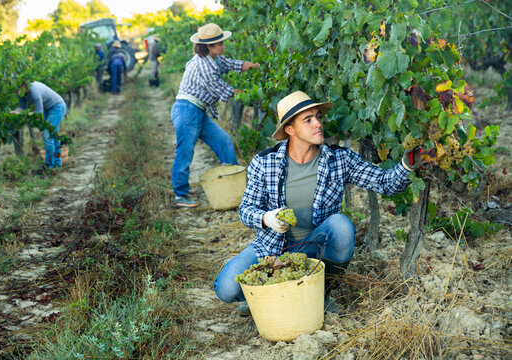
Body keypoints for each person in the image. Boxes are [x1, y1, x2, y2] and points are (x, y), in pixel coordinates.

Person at [213, 91, 422, 316]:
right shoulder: (264, 162)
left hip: (314, 250)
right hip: (271, 249)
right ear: (289, 130)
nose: (318, 124)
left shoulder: (339, 159)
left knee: (341, 226)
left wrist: (407, 165)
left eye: (318, 117)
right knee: (225, 288)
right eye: (308, 119)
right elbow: (245, 211)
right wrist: (267, 218)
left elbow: (384, 182)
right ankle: (264, 292)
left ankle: (319, 292)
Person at [171, 23, 260, 207]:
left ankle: (235, 186)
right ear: (208, 46)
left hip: (197, 110)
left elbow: (230, 64)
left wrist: (251, 66)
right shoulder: (204, 65)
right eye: (220, 44)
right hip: (187, 110)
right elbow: (222, 90)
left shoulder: (214, 59)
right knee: (185, 152)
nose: (224, 46)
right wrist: (251, 93)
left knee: (224, 141)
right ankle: (180, 195)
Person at [11, 81, 67, 169]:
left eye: (16, 90)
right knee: (53, 135)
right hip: (47, 108)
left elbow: (38, 113)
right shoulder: (21, 93)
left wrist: (24, 114)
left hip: (57, 107)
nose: (15, 93)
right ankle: (57, 163)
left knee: (47, 135)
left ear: (22, 86)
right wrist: (15, 112)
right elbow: (22, 108)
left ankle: (49, 165)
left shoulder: (34, 92)